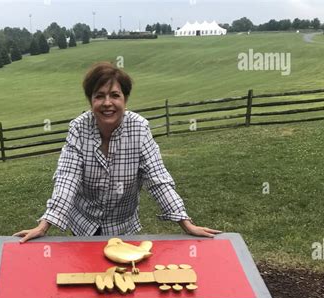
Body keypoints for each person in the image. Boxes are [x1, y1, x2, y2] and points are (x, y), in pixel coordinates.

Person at [14, 62, 220, 242]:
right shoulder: (78, 128)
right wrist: (44, 225)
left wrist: (186, 223)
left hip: (124, 227)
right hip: (84, 225)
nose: (107, 103)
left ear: (125, 99)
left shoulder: (140, 128)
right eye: (99, 96)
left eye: (115, 95)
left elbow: (158, 179)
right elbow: (67, 179)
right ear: (90, 101)